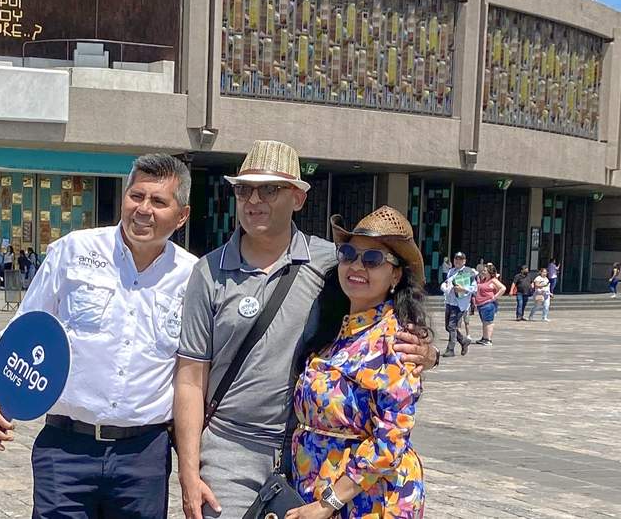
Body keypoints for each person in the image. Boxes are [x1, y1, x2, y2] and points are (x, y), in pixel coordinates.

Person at [174, 141, 436, 519]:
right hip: (232, 448)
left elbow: (386, 327)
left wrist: (426, 353)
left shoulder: (330, 263)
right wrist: (188, 473)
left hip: (308, 461)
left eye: (269, 189)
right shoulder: (208, 272)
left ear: (298, 198)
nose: (254, 200)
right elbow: (189, 379)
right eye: (244, 189)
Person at [0, 153, 197, 519]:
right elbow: (22, 329)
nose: (143, 209)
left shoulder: (192, 276)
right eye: (136, 196)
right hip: (66, 450)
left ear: (182, 216)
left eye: (158, 201)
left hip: (142, 457)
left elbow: (192, 371)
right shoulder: (73, 251)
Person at [284, 208, 428, 518]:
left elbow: (390, 442)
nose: (357, 266)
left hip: (367, 500)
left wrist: (328, 503)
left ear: (396, 275)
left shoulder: (396, 341)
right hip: (318, 489)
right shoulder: (334, 329)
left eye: (373, 259)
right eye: (348, 254)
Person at [440, 251, 475, 356]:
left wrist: (463, 289)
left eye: (460, 259)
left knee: (452, 326)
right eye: (456, 259)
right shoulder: (451, 271)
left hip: (459, 304)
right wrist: (444, 286)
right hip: (449, 302)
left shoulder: (468, 272)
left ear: (464, 261)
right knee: (448, 327)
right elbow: (447, 282)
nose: (457, 261)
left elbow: (474, 288)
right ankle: (464, 341)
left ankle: (450, 349)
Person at [473, 263, 505, 345]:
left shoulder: (493, 280)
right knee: (484, 322)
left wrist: (495, 297)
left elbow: (503, 288)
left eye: (485, 271)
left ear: (489, 272)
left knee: (488, 322)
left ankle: (488, 339)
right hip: (481, 304)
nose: (483, 272)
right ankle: (484, 337)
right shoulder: (483, 280)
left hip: (488, 304)